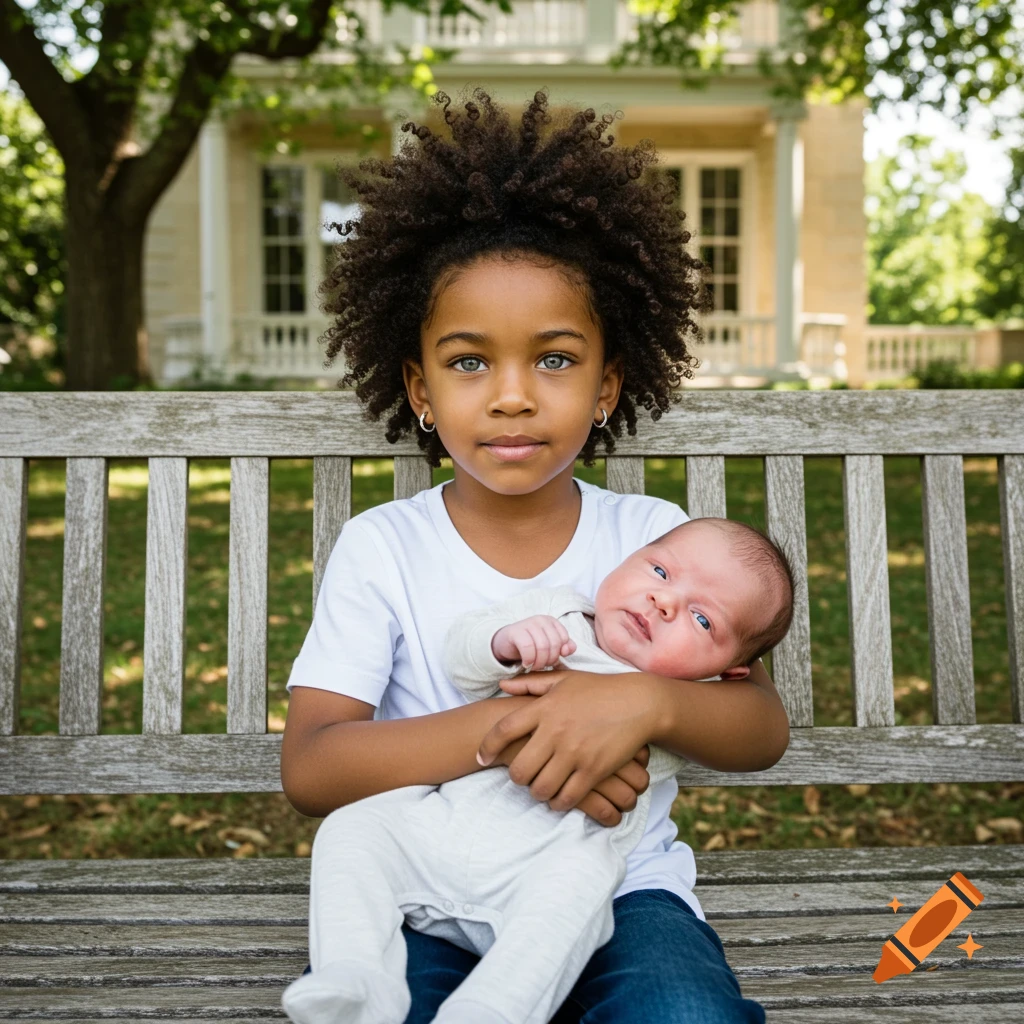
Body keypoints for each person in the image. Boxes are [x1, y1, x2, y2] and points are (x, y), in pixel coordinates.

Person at [280, 86, 789, 1024]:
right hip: (425, 882)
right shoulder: (383, 549)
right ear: (419, 388)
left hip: (617, 884)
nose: (512, 396)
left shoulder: (651, 542)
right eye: (470, 362)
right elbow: (314, 769)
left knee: (686, 1018)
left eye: (554, 359)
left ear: (608, 384)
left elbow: (761, 729)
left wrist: (640, 698)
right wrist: (514, 735)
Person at [281, 518, 794, 1024]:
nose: (665, 600)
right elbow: (464, 658)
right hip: (441, 837)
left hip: (584, 874)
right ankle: (354, 973)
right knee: (355, 831)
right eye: (658, 572)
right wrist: (503, 644)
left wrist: (652, 702)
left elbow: (755, 726)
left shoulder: (692, 676)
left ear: (725, 672)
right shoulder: (561, 616)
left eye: (702, 620)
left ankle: (491, 1010)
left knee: (617, 935)